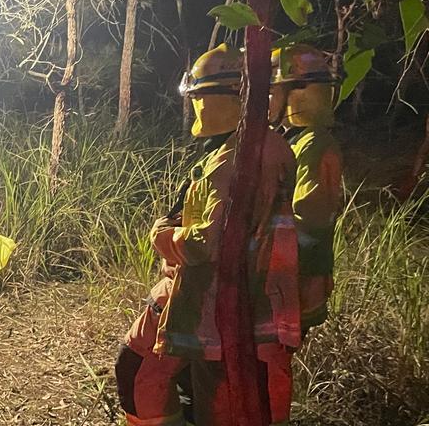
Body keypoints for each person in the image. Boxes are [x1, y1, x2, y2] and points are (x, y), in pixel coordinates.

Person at [117, 44, 301, 426]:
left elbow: (204, 243)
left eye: (201, 96)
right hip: (249, 308)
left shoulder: (236, 158)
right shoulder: (270, 145)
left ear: (229, 96)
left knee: (152, 378)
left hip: (215, 309)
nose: (197, 107)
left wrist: (163, 235)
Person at [270, 44, 343, 331]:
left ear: (296, 92)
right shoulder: (295, 140)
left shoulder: (315, 145)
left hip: (299, 281)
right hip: (285, 279)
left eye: (272, 91)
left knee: (273, 367)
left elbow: (308, 224)